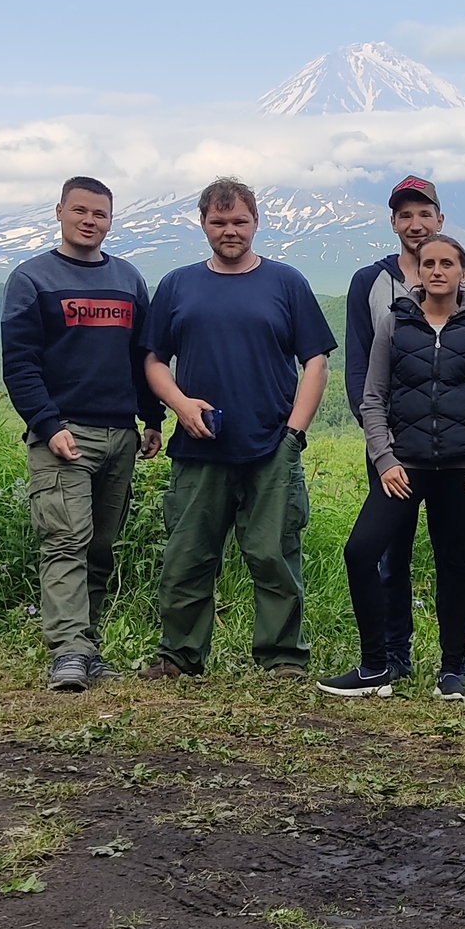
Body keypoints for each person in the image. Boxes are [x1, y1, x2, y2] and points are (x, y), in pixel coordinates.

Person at [139, 177, 335, 681]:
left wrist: (293, 434)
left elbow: (316, 362)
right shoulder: (178, 285)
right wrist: (180, 405)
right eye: (219, 221)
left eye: (239, 221)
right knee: (188, 555)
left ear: (256, 222)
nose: (230, 230)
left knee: (274, 554)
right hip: (199, 448)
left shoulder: (286, 282)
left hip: (270, 445)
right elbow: (153, 360)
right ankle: (179, 656)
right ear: (203, 224)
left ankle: (283, 657)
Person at [322, 235, 465, 701]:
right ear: (419, 272)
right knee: (362, 552)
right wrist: (384, 458)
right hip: (404, 467)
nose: (437, 270)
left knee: (458, 566)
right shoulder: (395, 322)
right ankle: (374, 667)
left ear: (463, 274)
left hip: (464, 468)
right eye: (429, 263)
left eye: (448, 263)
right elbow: (373, 396)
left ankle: (452, 669)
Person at [0, 176, 165, 693]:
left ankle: (86, 647)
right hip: (65, 434)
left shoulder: (127, 278)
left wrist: (152, 417)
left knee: (100, 546)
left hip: (120, 434)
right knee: (65, 542)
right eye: (80, 210)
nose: (90, 220)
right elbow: (20, 363)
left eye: (100, 213)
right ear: (59, 212)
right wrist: (48, 426)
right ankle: (67, 651)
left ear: (111, 219)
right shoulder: (32, 279)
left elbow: (142, 357)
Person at [342, 175, 465, 683]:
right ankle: (392, 656)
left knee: (455, 555)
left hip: (456, 453)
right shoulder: (370, 281)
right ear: (393, 223)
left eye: (423, 214)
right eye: (405, 215)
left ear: (440, 221)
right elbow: (361, 367)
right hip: (391, 448)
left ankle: (454, 662)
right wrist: (380, 443)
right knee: (389, 555)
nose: (415, 224)